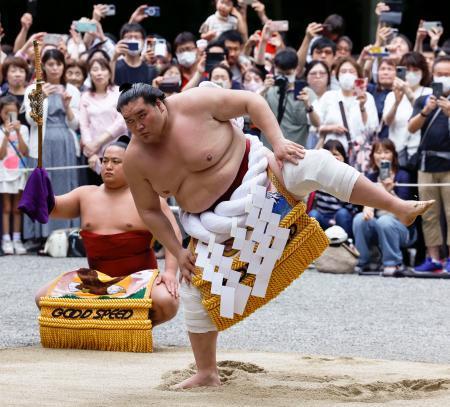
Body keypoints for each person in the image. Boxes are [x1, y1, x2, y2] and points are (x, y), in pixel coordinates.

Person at [116, 83, 433, 388]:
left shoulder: (195, 102)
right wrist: (177, 249)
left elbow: (251, 102)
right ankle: (207, 372)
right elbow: (150, 211)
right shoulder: (135, 159)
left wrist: (278, 141)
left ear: (161, 104)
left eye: (142, 115)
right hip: (212, 225)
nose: (137, 126)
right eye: (130, 121)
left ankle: (397, 206)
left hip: (263, 182)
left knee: (317, 163)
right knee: (193, 291)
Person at [34, 138, 180, 326]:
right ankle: (97, 326)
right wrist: (39, 183)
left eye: (116, 162)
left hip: (138, 280)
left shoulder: (147, 199)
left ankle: (135, 325)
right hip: (96, 281)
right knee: (42, 298)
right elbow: (50, 208)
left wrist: (169, 272)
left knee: (166, 302)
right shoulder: (85, 195)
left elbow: (173, 234)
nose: (108, 166)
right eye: (105, 160)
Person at [23, 49, 80, 242]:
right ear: (43, 67)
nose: (55, 68)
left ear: (63, 66)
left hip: (65, 141)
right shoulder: (33, 89)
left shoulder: (72, 90)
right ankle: (41, 235)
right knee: (43, 184)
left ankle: (66, 234)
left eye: (58, 64)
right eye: (50, 64)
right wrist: (41, 98)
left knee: (65, 186)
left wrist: (67, 107)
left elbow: (75, 124)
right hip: (42, 142)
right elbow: (32, 120)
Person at [408, 55, 450, 273]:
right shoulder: (423, 99)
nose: (443, 78)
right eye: (440, 74)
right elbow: (411, 128)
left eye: (447, 74)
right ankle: (433, 258)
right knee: (429, 213)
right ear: (432, 75)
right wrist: (426, 111)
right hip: (426, 163)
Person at [353, 139, 417, 276]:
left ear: (393, 155)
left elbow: (408, 208)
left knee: (385, 220)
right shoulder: (370, 177)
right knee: (359, 219)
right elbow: (365, 204)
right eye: (378, 152)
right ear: (372, 156)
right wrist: (367, 208)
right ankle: (363, 262)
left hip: (402, 228)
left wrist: (390, 192)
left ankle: (393, 263)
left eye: (386, 152)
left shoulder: (402, 176)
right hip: (378, 225)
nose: (382, 156)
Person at [316, 57, 378, 156]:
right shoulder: (329, 96)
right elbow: (317, 126)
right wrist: (331, 128)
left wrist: (362, 107)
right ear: (337, 75)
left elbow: (371, 129)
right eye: (343, 71)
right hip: (333, 152)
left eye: (351, 71)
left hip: (359, 154)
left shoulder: (368, 98)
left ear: (358, 75)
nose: (347, 74)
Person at [80, 58, 127, 185]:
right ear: (90, 74)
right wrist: (91, 152)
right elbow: (84, 126)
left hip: (118, 151)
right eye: (95, 70)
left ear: (110, 73)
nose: (99, 73)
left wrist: (97, 143)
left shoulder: (119, 92)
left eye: (103, 69)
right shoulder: (85, 96)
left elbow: (121, 122)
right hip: (94, 156)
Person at [261, 48, 320, 148]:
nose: (284, 77)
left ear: (296, 70)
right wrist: (263, 90)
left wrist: (308, 106)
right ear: (274, 69)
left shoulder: (305, 92)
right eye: (280, 73)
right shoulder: (269, 90)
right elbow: (249, 116)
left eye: (287, 74)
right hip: (269, 152)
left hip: (296, 153)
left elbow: (317, 123)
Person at [383, 52, 431, 156]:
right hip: (396, 151)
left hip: (420, 151)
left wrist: (408, 92)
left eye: (416, 70)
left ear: (423, 72)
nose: (411, 73)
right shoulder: (391, 95)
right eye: (407, 69)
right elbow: (387, 122)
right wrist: (396, 102)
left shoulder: (429, 93)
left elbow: (427, 117)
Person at [0, 95, 29, 255]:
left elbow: (25, 151)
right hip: (4, 173)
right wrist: (5, 135)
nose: (10, 116)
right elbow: (1, 155)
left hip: (19, 172)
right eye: (6, 113)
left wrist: (17, 132)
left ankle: (17, 239)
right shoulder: (0, 131)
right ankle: (6, 239)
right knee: (6, 207)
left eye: (13, 113)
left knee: (18, 208)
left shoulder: (23, 129)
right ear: (1, 113)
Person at [309, 140, 355, 238]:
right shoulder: (319, 177)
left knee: (342, 213)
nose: (333, 157)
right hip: (323, 218)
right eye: (329, 155)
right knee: (313, 214)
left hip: (338, 219)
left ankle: (348, 242)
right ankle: (311, 241)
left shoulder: (347, 178)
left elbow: (351, 208)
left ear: (344, 157)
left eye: (336, 154)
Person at [112, 23, 157, 87]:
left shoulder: (151, 70)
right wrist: (114, 58)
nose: (133, 40)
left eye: (137, 37)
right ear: (122, 41)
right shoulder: (114, 66)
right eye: (129, 37)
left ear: (144, 42)